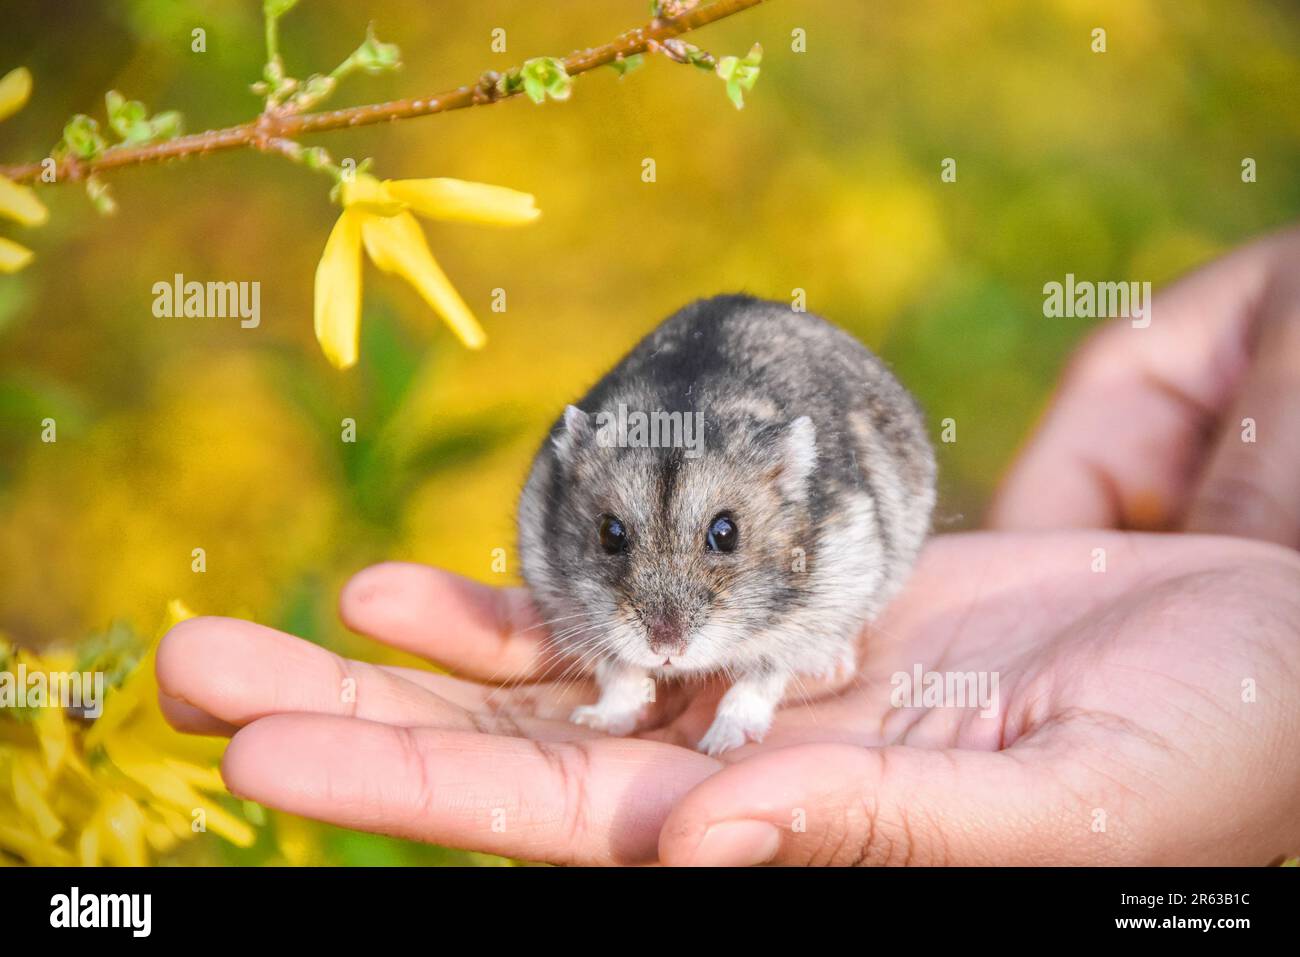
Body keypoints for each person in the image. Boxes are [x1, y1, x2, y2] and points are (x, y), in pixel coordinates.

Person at [157, 227, 1300, 866]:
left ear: (779, 492)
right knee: (625, 606)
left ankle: (771, 677)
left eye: (716, 540)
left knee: (760, 626)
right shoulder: (578, 475)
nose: (665, 610)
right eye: (612, 542)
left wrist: (764, 671)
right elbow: (591, 561)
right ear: (576, 493)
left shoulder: (812, 486)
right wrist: (613, 666)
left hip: (802, 451)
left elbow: (842, 518)